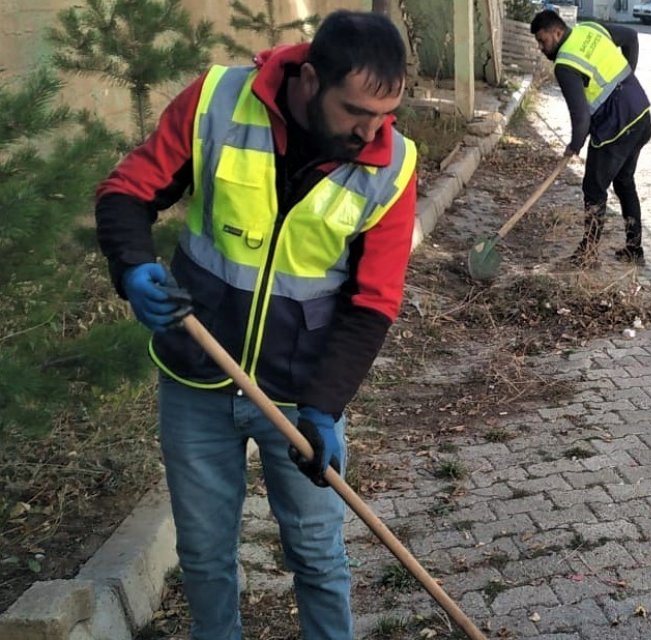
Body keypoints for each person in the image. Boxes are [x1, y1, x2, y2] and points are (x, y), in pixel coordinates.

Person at [94, 11, 418, 638]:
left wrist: (323, 408)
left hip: (299, 394)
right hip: (199, 376)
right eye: (355, 111)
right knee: (205, 557)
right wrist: (133, 267)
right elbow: (128, 190)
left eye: (384, 114)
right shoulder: (216, 101)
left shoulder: (391, 165)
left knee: (319, 556)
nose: (370, 131)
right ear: (308, 79)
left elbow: (374, 302)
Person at [531, 10, 651, 266]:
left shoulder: (565, 64)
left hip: (616, 128)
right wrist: (627, 77)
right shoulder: (590, 29)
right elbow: (631, 37)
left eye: (543, 41)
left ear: (557, 32)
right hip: (641, 113)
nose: (542, 48)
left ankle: (588, 253)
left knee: (594, 189)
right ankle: (634, 249)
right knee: (624, 181)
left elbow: (581, 117)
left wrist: (574, 145)